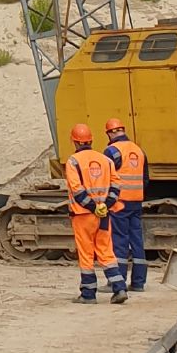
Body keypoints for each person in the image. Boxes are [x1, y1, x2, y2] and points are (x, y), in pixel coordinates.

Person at [64, 121, 126, 303]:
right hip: (104, 214)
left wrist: (92, 207)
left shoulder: (73, 161)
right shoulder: (105, 160)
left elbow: (77, 190)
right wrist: (105, 205)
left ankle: (88, 294)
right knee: (106, 251)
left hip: (83, 215)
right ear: (91, 140)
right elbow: (116, 184)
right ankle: (120, 288)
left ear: (74, 142)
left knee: (86, 253)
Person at [104, 117, 148, 294]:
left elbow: (106, 179)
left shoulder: (112, 151)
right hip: (136, 202)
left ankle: (118, 281)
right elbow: (145, 179)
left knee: (119, 241)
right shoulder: (139, 150)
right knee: (137, 240)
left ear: (110, 133)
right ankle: (138, 283)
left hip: (119, 204)